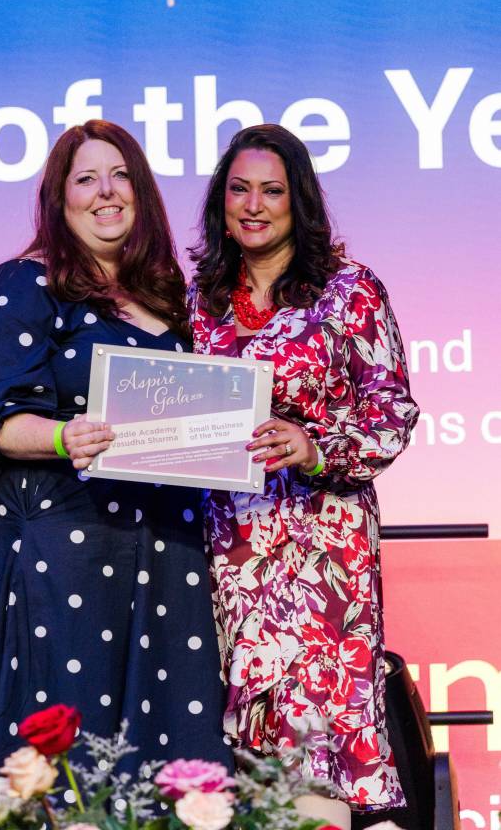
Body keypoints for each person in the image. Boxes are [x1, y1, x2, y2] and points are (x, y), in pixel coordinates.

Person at [0, 120, 231, 821]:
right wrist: (65, 436)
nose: (106, 192)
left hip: (163, 548)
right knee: (63, 739)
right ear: (59, 199)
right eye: (86, 179)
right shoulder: (24, 284)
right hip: (60, 548)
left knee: (167, 740)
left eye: (120, 175)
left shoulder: (170, 298)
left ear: (142, 193)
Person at [189, 124, 419, 824]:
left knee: (318, 737)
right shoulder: (194, 298)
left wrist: (315, 446)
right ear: (219, 199)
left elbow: (393, 412)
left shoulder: (348, 291)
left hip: (323, 552)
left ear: (300, 203)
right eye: (238, 189)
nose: (252, 205)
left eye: (271, 191)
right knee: (239, 747)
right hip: (225, 548)